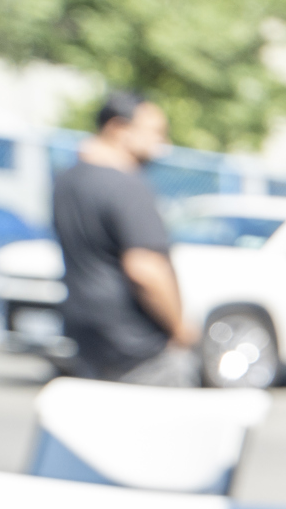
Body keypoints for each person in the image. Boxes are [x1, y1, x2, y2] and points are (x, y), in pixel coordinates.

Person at [51, 92, 199, 386]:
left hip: (89, 342)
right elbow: (145, 269)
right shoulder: (127, 186)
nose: (162, 145)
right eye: (154, 133)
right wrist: (180, 328)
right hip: (139, 347)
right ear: (118, 128)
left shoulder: (67, 181)